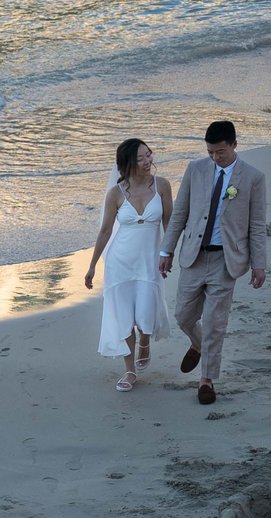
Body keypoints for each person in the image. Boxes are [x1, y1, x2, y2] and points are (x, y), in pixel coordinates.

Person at [160, 120, 268, 405]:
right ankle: (198, 344)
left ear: (234, 145)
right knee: (183, 315)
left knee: (215, 322)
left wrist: (259, 263)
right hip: (194, 255)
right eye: (210, 152)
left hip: (226, 259)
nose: (214, 157)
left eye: (219, 152)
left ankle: (206, 380)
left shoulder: (253, 178)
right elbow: (180, 213)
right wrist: (166, 251)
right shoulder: (195, 170)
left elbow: (257, 224)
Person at [83, 138, 174, 391]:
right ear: (127, 165)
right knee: (123, 317)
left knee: (146, 313)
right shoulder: (116, 193)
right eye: (140, 159)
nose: (148, 161)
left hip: (149, 261)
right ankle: (129, 371)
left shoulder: (163, 186)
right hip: (120, 262)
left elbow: (170, 224)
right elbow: (105, 231)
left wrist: (169, 253)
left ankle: (145, 339)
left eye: (149, 155)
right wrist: (91, 266)